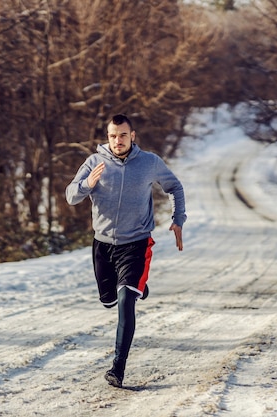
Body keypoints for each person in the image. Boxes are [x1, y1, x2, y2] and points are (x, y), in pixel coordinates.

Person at [65, 114, 186, 388]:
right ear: (107, 137)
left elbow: (175, 187)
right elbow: (71, 196)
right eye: (112, 135)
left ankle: (117, 368)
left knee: (124, 303)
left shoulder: (149, 162)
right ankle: (139, 287)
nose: (117, 140)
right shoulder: (94, 162)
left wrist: (178, 219)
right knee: (108, 299)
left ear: (133, 136)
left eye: (122, 135)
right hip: (103, 245)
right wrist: (87, 185)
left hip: (136, 244)